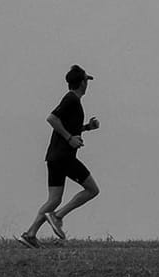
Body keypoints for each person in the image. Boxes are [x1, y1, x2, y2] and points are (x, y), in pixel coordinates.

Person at [17, 64, 101, 247]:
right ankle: (57, 216)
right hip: (64, 157)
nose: (88, 84)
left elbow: (68, 125)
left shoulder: (74, 102)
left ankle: (30, 234)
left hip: (54, 157)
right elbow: (52, 118)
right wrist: (70, 138)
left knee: (54, 199)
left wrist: (87, 127)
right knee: (93, 190)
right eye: (86, 80)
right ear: (81, 83)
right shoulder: (71, 99)